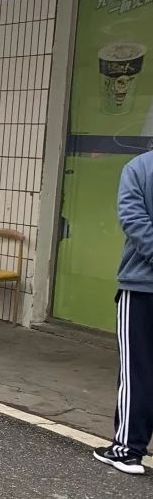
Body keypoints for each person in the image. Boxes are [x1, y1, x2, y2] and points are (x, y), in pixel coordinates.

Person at [94, 150, 153, 475]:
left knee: (137, 371)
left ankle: (127, 450)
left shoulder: (139, 167)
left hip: (142, 286)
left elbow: (133, 220)